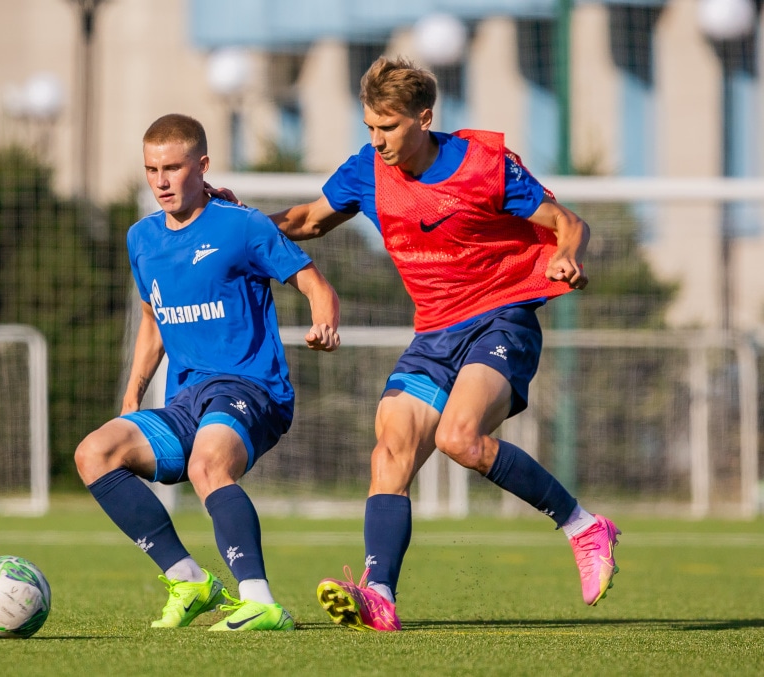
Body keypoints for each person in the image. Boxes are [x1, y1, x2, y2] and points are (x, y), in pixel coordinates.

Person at [266, 56, 620, 631]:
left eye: (389, 127)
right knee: (390, 449)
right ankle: (379, 595)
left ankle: (584, 527)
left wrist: (566, 255)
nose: (377, 140)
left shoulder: (483, 167)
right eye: (369, 127)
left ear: (424, 118)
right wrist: (233, 224)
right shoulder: (366, 170)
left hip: (501, 318)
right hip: (434, 332)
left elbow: (567, 222)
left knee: (460, 437)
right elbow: (307, 219)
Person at [74, 113, 341, 632]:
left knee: (207, 464)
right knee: (94, 454)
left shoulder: (242, 226)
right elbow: (152, 319)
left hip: (251, 387)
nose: (161, 181)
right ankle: (190, 579)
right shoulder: (141, 238)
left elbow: (315, 284)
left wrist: (324, 322)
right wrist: (131, 396)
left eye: (173, 168)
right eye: (152, 169)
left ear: (202, 166)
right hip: (186, 399)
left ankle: (260, 602)